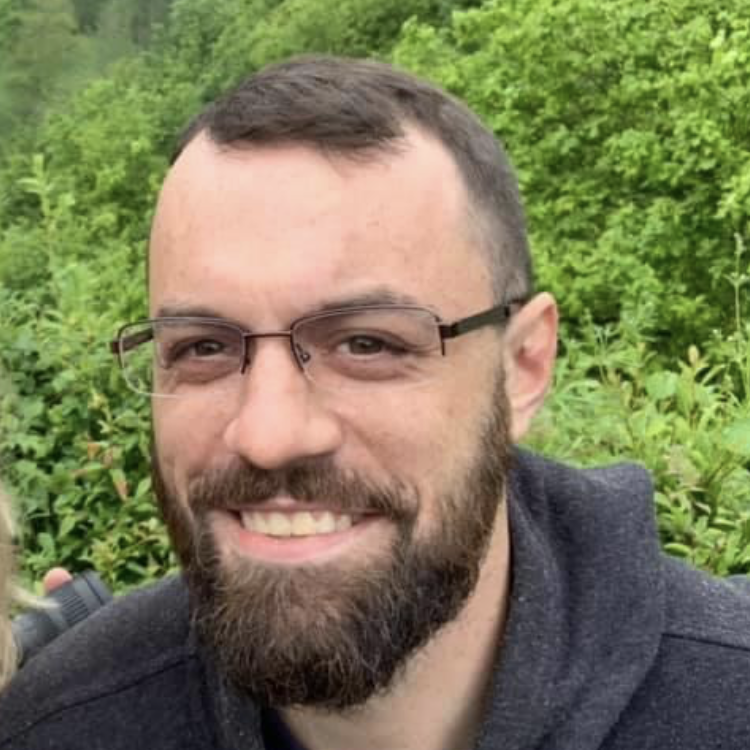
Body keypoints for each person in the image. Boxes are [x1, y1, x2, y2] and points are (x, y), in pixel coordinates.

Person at [1, 55, 750, 750]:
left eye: (366, 343)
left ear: (523, 366)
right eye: (203, 347)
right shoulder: (59, 728)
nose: (268, 434)